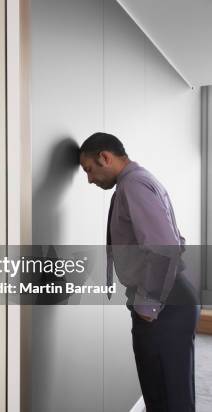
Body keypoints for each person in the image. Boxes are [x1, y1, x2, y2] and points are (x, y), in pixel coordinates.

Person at [79, 132, 200, 412]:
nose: (90, 179)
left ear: (105, 157)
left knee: (167, 393)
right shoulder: (139, 180)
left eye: (89, 169)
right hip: (169, 298)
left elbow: (164, 247)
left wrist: (147, 305)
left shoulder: (133, 185)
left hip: (163, 304)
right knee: (167, 389)